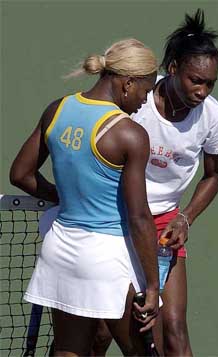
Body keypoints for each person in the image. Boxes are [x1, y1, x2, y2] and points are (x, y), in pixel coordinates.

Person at [90, 9, 218, 356]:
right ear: (172, 70)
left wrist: (185, 218)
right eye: (194, 80)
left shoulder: (214, 118)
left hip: (166, 224)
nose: (202, 91)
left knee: (174, 330)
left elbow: (213, 176)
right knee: (101, 333)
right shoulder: (134, 101)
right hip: (116, 219)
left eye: (209, 83)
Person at [9, 38, 161, 356]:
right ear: (127, 82)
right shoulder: (130, 134)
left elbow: (20, 174)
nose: (144, 102)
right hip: (107, 260)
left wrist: (65, 197)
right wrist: (152, 284)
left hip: (60, 250)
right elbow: (139, 217)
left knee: (68, 349)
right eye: (145, 92)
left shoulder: (58, 109)